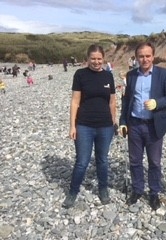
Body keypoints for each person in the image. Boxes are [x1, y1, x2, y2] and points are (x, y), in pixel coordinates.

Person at [119, 42, 166, 211]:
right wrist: (123, 122)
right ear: (136, 58)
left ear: (153, 56)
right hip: (135, 124)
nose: (144, 59)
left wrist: (157, 103)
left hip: (154, 125)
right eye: (141, 56)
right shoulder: (130, 76)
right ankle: (137, 190)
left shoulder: (163, 74)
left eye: (148, 56)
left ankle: (154, 193)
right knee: (135, 161)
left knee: (155, 162)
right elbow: (126, 100)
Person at [62, 44, 117, 209]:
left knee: (102, 160)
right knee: (82, 161)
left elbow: (113, 101)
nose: (96, 62)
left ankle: (103, 189)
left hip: (105, 126)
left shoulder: (108, 76)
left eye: (99, 58)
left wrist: (114, 122)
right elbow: (75, 101)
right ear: (87, 59)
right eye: (93, 58)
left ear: (103, 59)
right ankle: (73, 192)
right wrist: (72, 126)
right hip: (84, 125)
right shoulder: (80, 74)